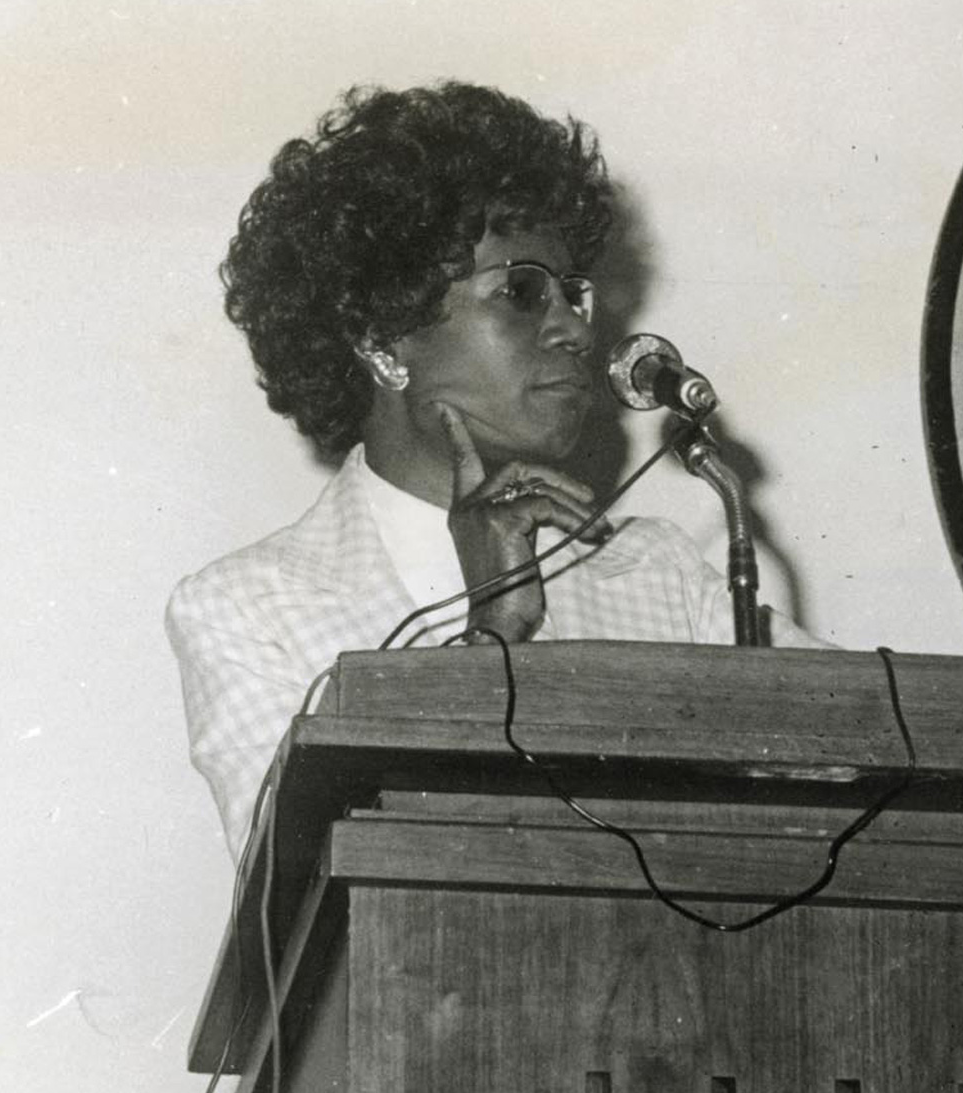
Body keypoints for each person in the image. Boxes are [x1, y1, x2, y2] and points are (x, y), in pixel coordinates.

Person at [168, 82, 800, 856]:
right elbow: (296, 895)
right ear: (383, 340)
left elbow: (890, 728)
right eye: (522, 292)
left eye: (574, 295)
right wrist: (492, 635)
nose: (573, 328)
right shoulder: (251, 610)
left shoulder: (659, 574)